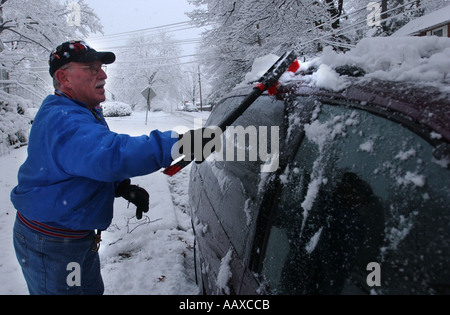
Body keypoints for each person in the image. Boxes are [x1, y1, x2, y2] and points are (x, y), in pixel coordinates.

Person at [10, 40, 210, 295]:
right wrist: (181, 143)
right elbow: (112, 154)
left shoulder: (79, 111)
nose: (103, 75)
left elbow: (85, 162)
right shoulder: (64, 121)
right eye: (92, 68)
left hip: (70, 237)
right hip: (53, 243)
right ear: (64, 77)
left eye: (101, 67)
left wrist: (120, 186)